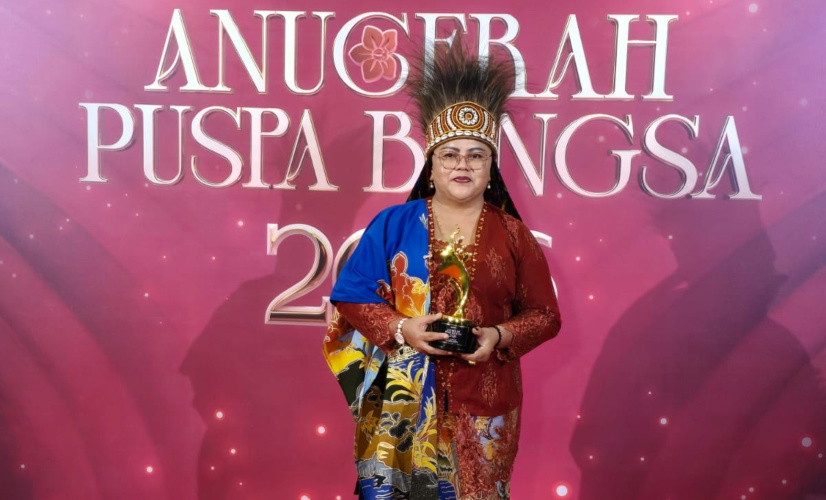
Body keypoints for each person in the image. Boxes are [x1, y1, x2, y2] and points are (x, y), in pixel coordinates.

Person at [323, 43, 561, 500]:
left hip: (485, 407)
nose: (463, 164)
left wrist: (497, 336)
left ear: (491, 168)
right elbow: (352, 293)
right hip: (401, 404)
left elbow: (545, 316)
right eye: (450, 154)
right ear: (431, 166)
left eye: (476, 155)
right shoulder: (392, 224)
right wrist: (402, 328)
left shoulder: (514, 236)